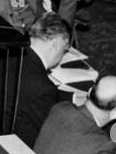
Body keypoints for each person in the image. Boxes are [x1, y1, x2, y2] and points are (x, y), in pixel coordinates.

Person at [9, 13, 74, 146]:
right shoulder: (42, 86)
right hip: (20, 148)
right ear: (56, 44)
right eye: (65, 50)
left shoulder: (11, 52)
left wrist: (69, 97)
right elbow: (53, 130)